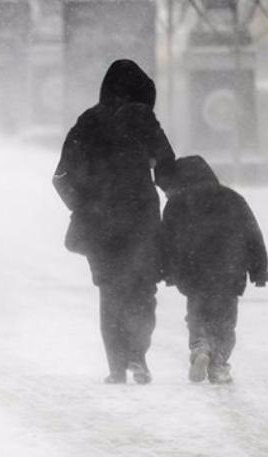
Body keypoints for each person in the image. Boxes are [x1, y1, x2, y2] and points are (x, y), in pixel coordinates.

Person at [53, 59, 175, 384]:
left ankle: (117, 367)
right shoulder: (143, 119)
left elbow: (61, 175)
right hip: (141, 221)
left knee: (111, 293)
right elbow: (167, 163)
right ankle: (138, 354)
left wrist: (84, 204)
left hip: (99, 225)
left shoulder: (87, 122)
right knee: (142, 289)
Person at [161, 155, 268, 384]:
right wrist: (259, 270)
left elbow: (166, 240)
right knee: (225, 320)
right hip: (229, 269)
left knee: (197, 313)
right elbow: (252, 234)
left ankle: (200, 346)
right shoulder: (232, 198)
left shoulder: (176, 203)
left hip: (192, 270)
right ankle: (219, 363)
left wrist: (167, 270)